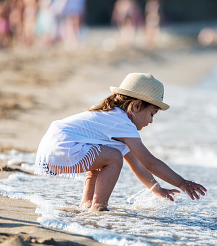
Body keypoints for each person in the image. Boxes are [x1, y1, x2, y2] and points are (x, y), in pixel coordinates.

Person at [34, 73, 207, 212]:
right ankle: (99, 207)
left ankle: (86, 205)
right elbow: (149, 162)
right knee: (114, 157)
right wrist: (181, 183)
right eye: (152, 114)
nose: (151, 121)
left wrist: (156, 188)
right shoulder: (122, 123)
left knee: (104, 157)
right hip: (62, 148)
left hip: (50, 150)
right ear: (137, 106)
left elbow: (137, 165)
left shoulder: (114, 120)